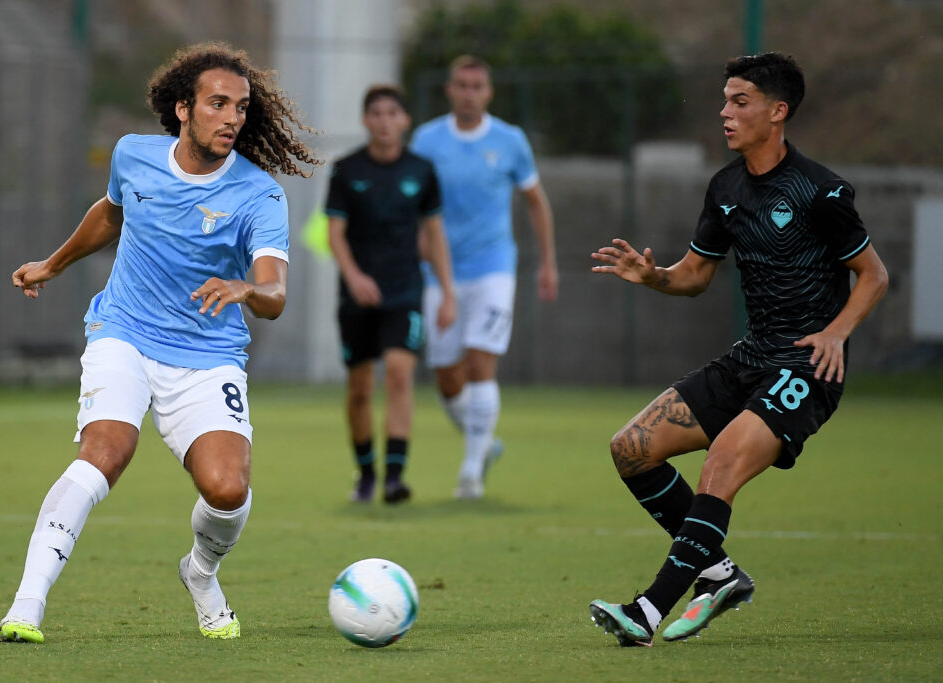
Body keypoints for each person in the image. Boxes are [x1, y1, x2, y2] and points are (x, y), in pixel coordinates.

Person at [0, 42, 318, 643]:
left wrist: (246, 288)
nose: (232, 118)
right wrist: (53, 264)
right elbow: (112, 213)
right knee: (105, 452)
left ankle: (200, 572)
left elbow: (275, 294)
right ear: (183, 108)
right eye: (218, 104)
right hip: (125, 332)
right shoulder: (133, 155)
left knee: (228, 489)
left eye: (241, 107)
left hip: (208, 355)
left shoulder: (259, 195)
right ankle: (24, 608)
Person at [587, 52, 888, 646]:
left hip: (807, 365)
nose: (725, 112)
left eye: (740, 101)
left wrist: (836, 332)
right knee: (632, 448)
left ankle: (647, 612)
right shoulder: (725, 187)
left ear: (778, 112)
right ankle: (720, 573)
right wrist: (653, 276)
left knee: (720, 463)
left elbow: (874, 275)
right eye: (724, 100)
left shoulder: (821, 190)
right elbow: (695, 275)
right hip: (752, 356)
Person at [411, 55, 558, 500]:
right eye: (462, 85)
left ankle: (471, 473)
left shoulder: (510, 141)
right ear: (449, 90)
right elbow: (413, 204)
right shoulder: (427, 140)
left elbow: (535, 201)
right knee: (446, 377)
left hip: (494, 267)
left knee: (480, 361)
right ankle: (485, 443)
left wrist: (548, 262)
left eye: (477, 87)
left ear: (489, 93)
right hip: (440, 273)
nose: (469, 94)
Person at [325, 85, 456, 504]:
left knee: (399, 376)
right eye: (376, 114)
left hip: (405, 292)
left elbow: (434, 234)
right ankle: (366, 474)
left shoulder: (422, 170)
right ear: (366, 121)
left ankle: (395, 478)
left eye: (392, 113)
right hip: (357, 297)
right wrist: (354, 277)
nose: (384, 122)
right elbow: (334, 233)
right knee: (360, 388)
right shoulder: (346, 170)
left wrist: (448, 292)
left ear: (405, 120)